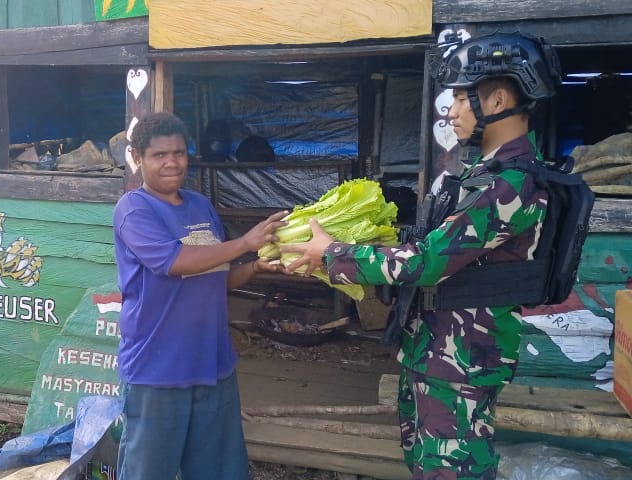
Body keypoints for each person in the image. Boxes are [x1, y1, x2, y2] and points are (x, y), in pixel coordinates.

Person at [280, 32, 562, 479]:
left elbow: (426, 263)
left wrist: (332, 254)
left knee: (452, 471)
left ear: (499, 99)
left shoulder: (510, 185)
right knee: (427, 465)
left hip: (462, 359)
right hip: (435, 349)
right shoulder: (478, 177)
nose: (450, 110)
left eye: (460, 99)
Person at [113, 112, 288, 479]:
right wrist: (242, 242)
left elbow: (214, 277)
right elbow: (174, 262)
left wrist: (255, 265)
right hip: (158, 368)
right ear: (138, 157)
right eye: (159, 155)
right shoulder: (134, 208)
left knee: (218, 471)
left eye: (179, 152)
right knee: (150, 471)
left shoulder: (199, 205)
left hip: (212, 364)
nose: (172, 162)